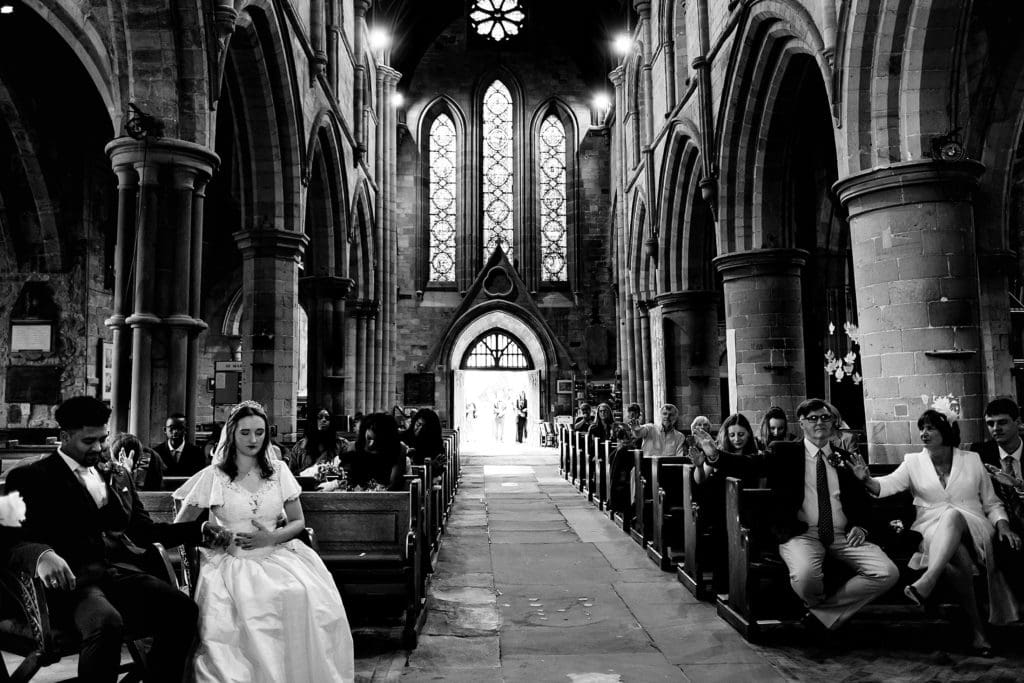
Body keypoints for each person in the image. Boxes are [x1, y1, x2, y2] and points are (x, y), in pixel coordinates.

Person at [0, 396, 225, 683]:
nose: (98, 448)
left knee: (182, 609)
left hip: (111, 575)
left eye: (103, 439)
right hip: (68, 588)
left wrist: (199, 529)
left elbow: (143, 531)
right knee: (107, 623)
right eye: (88, 441)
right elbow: (5, 540)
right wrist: (40, 554)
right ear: (65, 436)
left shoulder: (106, 474)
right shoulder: (29, 477)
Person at [173, 400, 355, 682]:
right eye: (245, 432)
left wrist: (269, 537)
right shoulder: (215, 475)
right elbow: (181, 526)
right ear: (231, 434)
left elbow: (298, 522)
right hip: (231, 562)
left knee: (300, 593)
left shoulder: (279, 471)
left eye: (259, 432)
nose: (253, 439)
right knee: (251, 602)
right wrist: (211, 532)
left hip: (276, 554)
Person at [848, 409, 1020, 655]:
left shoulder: (971, 459)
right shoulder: (913, 461)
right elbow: (886, 485)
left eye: (931, 428)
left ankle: (929, 578)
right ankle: (978, 633)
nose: (924, 433)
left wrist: (1003, 525)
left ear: (946, 431)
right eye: (922, 428)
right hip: (931, 528)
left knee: (952, 514)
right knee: (957, 555)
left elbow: (992, 503)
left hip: (974, 525)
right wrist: (866, 480)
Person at [767, 398, 898, 634]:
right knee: (806, 578)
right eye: (813, 418)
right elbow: (749, 464)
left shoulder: (845, 458)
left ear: (833, 422)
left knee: (886, 572)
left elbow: (864, 504)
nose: (820, 422)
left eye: (825, 417)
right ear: (802, 424)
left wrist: (862, 526)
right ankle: (825, 616)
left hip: (842, 534)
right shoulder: (784, 452)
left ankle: (819, 618)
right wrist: (714, 456)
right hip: (802, 533)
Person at [690, 413, 764, 592]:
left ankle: (746, 590)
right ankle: (723, 587)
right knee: (722, 539)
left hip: (748, 510)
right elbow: (699, 480)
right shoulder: (717, 452)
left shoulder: (755, 456)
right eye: (732, 435)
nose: (736, 439)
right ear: (726, 435)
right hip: (720, 510)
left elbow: (761, 486)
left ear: (748, 434)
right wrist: (699, 465)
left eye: (741, 434)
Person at [971, 397, 1024, 595]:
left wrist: (1018, 485)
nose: (995, 428)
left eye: (1002, 422)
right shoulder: (980, 453)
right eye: (990, 423)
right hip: (1000, 522)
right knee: (1006, 545)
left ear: (1017, 423)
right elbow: (980, 498)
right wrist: (1004, 526)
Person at [343, 412, 410, 492]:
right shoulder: (355, 448)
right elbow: (349, 482)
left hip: (387, 498)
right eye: (369, 438)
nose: (371, 444)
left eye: (377, 440)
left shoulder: (398, 449)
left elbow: (394, 485)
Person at [290, 408, 351, 475]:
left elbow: (347, 470)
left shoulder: (342, 444)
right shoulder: (300, 446)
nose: (324, 420)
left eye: (327, 418)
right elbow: (290, 474)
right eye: (320, 417)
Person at [608, 403, 643, 514]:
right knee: (615, 456)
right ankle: (614, 499)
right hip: (625, 455)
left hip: (636, 455)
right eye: (630, 413)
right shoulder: (623, 427)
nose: (632, 415)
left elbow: (639, 441)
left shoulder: (643, 427)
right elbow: (619, 441)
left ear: (638, 414)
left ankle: (616, 501)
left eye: (635, 413)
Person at [587, 403, 627, 492]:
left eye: (605, 411)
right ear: (598, 413)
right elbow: (590, 445)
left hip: (612, 452)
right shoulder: (593, 428)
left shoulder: (615, 426)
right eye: (601, 411)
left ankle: (614, 490)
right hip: (599, 453)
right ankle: (604, 490)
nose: (603, 413)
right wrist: (593, 456)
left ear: (609, 413)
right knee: (603, 463)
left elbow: (621, 440)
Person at [153, 413, 206, 477]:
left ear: (186, 430)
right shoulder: (156, 452)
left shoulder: (197, 453)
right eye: (172, 428)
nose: (175, 431)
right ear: (165, 430)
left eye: (180, 428)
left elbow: (200, 477)